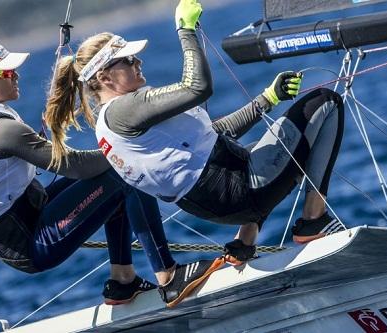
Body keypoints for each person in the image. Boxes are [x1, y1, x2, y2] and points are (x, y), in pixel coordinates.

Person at [49, 0, 344, 291]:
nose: (138, 62)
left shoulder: (113, 119)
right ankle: (313, 221)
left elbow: (214, 135)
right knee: (325, 102)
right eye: (127, 60)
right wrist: (185, 29)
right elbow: (197, 87)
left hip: (218, 199)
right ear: (104, 76)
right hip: (236, 191)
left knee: (269, 145)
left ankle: (244, 242)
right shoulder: (125, 109)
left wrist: (268, 98)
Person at [0, 36, 224, 308]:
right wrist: (127, 149)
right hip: (30, 243)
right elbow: (75, 166)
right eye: (5, 72)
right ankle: (169, 278)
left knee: (115, 177)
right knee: (124, 173)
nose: (15, 74)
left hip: (24, 216)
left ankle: (123, 283)